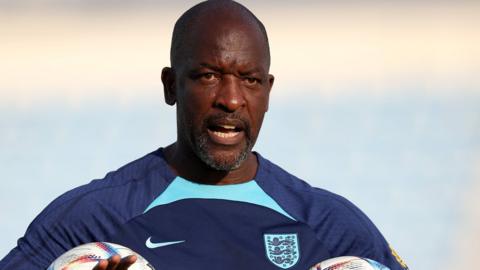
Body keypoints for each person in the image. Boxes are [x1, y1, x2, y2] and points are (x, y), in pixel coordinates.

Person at [0, 1, 409, 270]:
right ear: (170, 86)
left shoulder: (332, 226)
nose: (230, 100)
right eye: (208, 76)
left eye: (249, 80)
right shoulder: (91, 219)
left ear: (267, 92)